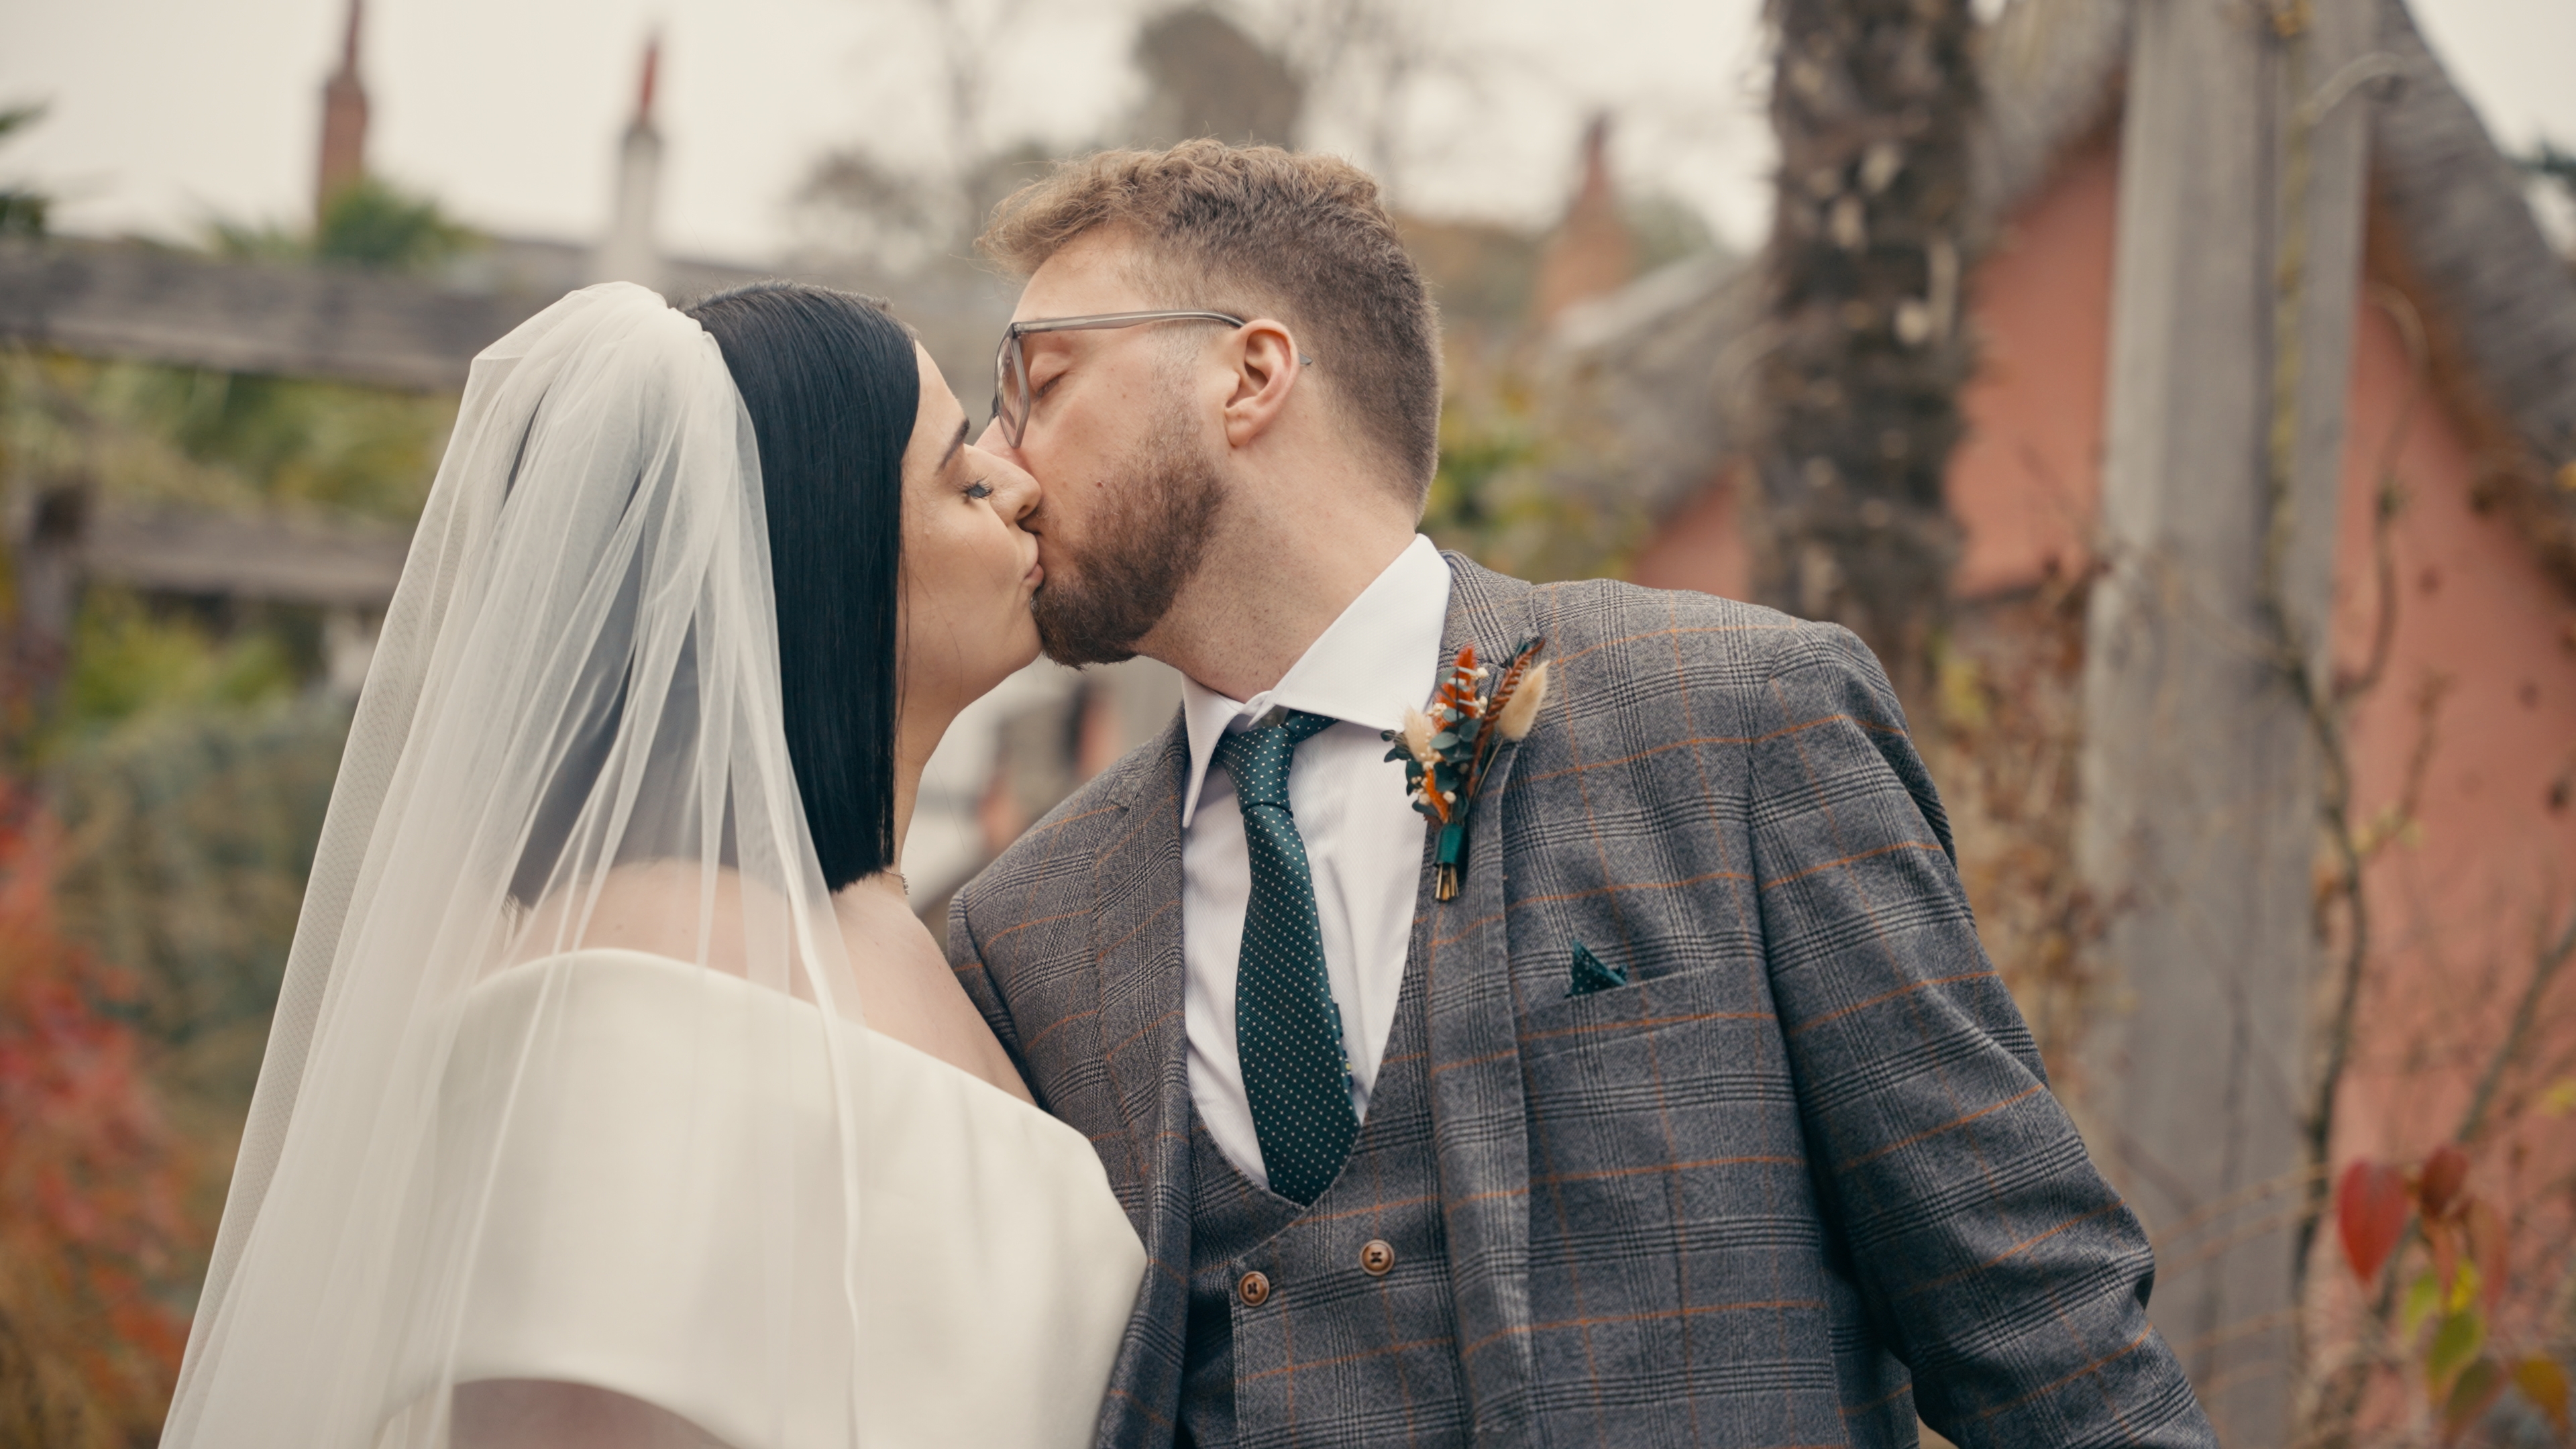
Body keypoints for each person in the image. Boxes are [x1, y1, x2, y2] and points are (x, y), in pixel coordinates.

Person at [948, 141, 2220, 1448]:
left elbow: (2038, 1326)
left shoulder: (1739, 726)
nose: (1003, 462)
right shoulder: (1023, 931)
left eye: (1039, 383)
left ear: (1251, 374)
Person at [160, 280, 1142, 1449]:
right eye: (963, 480)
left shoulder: (949, 948)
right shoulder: (638, 957)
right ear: (824, 557)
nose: (1020, 486)